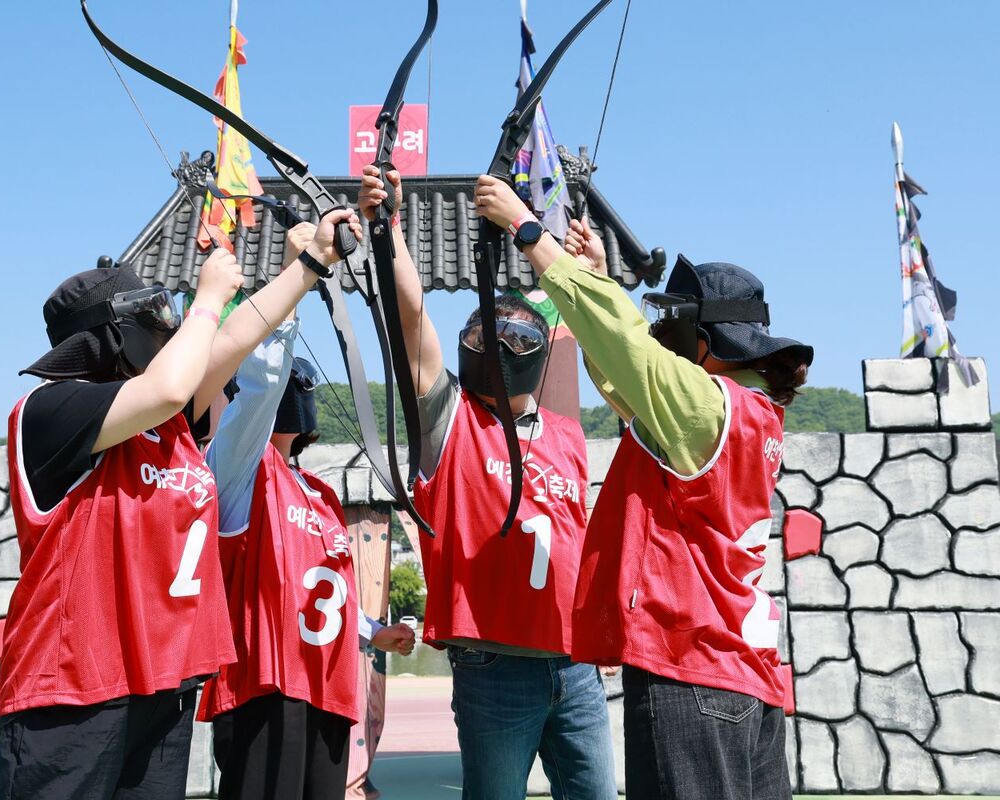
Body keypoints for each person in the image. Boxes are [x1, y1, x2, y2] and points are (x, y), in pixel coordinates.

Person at [0, 208, 362, 800]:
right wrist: (207, 300)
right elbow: (170, 385)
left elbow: (233, 345)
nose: (167, 329)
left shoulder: (165, 427)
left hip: (164, 686)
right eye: (153, 316)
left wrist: (310, 264)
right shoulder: (50, 408)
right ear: (112, 334)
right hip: (72, 691)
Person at [474, 174, 811, 800]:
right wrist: (597, 280)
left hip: (690, 668)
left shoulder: (707, 405)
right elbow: (628, 374)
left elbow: (626, 347)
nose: (660, 333)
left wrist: (527, 228)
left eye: (670, 322)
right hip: (746, 674)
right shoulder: (750, 411)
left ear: (703, 341)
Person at [358, 166, 617, 800]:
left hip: (575, 661)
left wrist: (598, 281)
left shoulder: (568, 434)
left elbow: (618, 355)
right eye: (486, 331)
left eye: (519, 334)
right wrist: (389, 226)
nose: (502, 342)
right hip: (493, 661)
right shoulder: (451, 417)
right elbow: (412, 321)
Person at [198, 301, 416, 800]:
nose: (301, 385)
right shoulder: (239, 471)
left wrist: (372, 631)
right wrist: (285, 309)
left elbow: (321, 586)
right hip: (264, 683)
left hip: (327, 683)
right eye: (291, 377)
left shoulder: (319, 491)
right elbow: (260, 392)